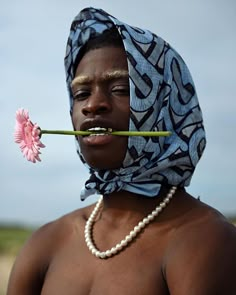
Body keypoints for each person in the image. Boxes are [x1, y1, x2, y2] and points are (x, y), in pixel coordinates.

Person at [7, 7, 236, 295]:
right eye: (81, 94)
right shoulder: (46, 243)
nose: (93, 105)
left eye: (119, 88)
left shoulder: (205, 240)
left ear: (164, 103)